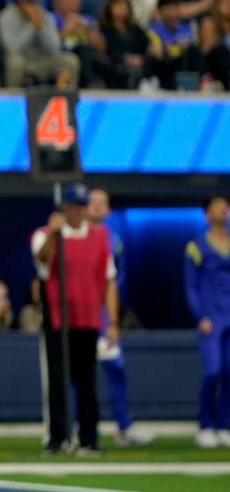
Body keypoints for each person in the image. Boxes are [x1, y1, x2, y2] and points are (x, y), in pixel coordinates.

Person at [32, 183, 117, 455]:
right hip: (58, 318)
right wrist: (54, 235)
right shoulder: (45, 235)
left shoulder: (102, 237)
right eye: (73, 206)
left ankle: (89, 438)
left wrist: (112, 321)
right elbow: (42, 264)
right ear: (64, 207)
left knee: (87, 381)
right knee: (58, 379)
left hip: (89, 318)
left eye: (82, 206)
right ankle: (58, 438)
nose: (78, 212)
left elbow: (108, 280)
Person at [88, 187, 154, 447]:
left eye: (101, 203)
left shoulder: (114, 240)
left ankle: (124, 426)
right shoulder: (72, 236)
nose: (96, 207)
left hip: (103, 314)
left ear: (108, 209)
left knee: (115, 366)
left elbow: (116, 281)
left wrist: (113, 320)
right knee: (78, 374)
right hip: (77, 313)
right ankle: (71, 427)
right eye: (92, 202)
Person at [184, 195, 230, 449]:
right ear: (206, 214)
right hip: (211, 318)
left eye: (225, 207)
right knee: (213, 371)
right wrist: (200, 315)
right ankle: (205, 424)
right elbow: (190, 286)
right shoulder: (196, 247)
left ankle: (224, 424)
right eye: (217, 207)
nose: (223, 211)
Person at [0, 0, 80, 88]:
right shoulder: (6, 18)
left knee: (69, 61)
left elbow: (55, 48)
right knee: (15, 62)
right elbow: (12, 49)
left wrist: (41, 27)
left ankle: (67, 100)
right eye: (28, 1)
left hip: (43, 60)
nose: (33, 5)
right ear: (19, 2)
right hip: (22, 60)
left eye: (36, 1)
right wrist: (31, 26)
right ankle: (14, 101)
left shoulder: (46, 17)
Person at [147, 0, 206, 90]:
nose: (171, 12)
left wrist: (179, 47)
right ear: (160, 12)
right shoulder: (154, 30)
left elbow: (193, 46)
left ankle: (203, 82)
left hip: (185, 63)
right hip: (168, 65)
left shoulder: (187, 27)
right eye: (167, 9)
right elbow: (158, 53)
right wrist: (179, 47)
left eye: (173, 8)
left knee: (194, 51)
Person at [94, 0, 149, 89]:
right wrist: (125, 58)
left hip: (138, 62)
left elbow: (146, 44)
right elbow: (107, 49)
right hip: (115, 63)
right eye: (117, 4)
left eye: (124, 5)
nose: (121, 8)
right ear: (109, 7)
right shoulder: (103, 28)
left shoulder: (135, 28)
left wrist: (143, 56)